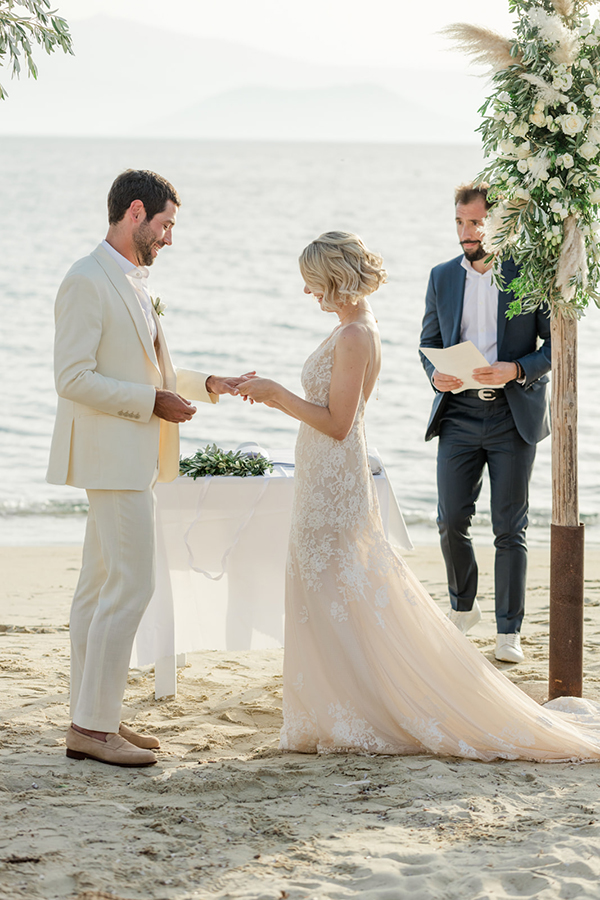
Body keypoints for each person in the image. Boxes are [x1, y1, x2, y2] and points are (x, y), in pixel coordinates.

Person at [239, 231, 600, 762]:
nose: (309, 294)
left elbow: (339, 423)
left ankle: (356, 706)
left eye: (315, 284)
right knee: (332, 591)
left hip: (333, 473)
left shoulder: (356, 335)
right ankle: (337, 702)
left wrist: (276, 395)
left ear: (336, 280)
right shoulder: (354, 329)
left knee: (337, 586)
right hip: (327, 473)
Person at [47, 169, 251, 767]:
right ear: (136, 212)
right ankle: (93, 726)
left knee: (96, 591)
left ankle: (91, 716)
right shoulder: (87, 280)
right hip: (112, 457)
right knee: (130, 585)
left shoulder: (132, 282)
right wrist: (150, 403)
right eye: (165, 225)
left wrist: (207, 384)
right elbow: (72, 377)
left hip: (130, 456)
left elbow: (151, 376)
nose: (169, 239)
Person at [419, 182, 551, 664]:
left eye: (475, 222)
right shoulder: (441, 276)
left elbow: (555, 346)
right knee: (450, 519)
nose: (466, 232)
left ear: (498, 222)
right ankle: (462, 607)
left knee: (507, 528)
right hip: (458, 413)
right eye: (460, 222)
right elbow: (427, 341)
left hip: (512, 415)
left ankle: (508, 632)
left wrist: (516, 369)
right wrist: (437, 376)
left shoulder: (528, 274)